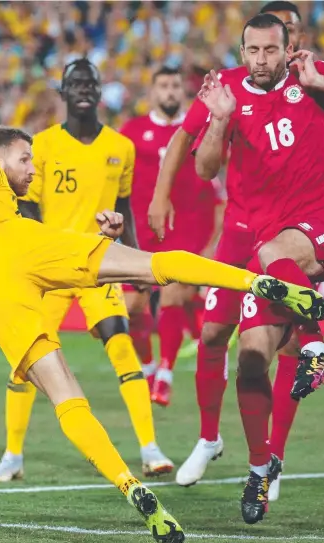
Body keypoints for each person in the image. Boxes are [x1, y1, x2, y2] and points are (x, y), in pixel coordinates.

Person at [0, 126, 324, 543]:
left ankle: (131, 487)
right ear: (0, 158)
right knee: (153, 264)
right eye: (25, 158)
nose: (33, 169)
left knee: (66, 396)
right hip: (22, 247)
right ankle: (256, 282)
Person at [147, 0, 324, 495]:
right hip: (245, 230)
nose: (264, 57)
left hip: (301, 228)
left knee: (276, 342)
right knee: (223, 338)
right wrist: (216, 125)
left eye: (274, 47)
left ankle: (272, 452)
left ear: (288, 46)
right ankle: (215, 441)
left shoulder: (312, 76)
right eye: (254, 49)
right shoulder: (227, 88)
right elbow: (202, 164)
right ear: (242, 50)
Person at [0, 58, 174, 484]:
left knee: (121, 345)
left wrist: (138, 265)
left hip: (96, 264)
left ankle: (150, 449)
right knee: (24, 362)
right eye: (76, 83)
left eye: (91, 83)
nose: (84, 89)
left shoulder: (120, 148)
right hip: (50, 266)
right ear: (64, 92)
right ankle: (12, 455)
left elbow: (124, 207)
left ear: (100, 91)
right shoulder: (44, 145)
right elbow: (27, 207)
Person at [121, 66, 225, 407]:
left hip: (183, 231)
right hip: (139, 232)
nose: (169, 91)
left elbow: (216, 189)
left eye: (175, 86)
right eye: (163, 85)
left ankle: (164, 373)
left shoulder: (199, 131)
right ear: (152, 92)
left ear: (183, 92)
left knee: (172, 295)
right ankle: (149, 367)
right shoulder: (132, 132)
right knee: (133, 307)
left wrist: (211, 242)